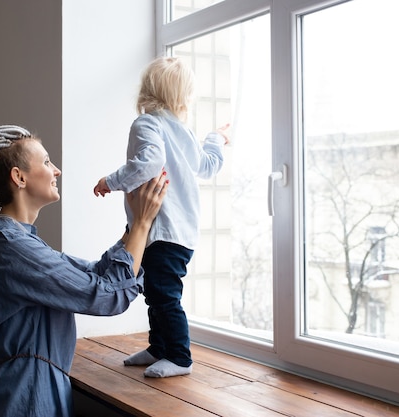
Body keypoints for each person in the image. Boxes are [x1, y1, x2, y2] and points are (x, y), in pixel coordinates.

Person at [0, 125, 168, 417]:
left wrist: (133, 224)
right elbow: (105, 297)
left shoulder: (20, 241)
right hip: (26, 400)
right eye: (47, 162)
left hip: (32, 392)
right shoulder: (10, 246)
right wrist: (141, 224)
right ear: (19, 177)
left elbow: (94, 274)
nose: (57, 170)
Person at [93, 56, 229, 378]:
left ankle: (180, 357)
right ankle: (158, 347)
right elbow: (208, 166)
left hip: (164, 231)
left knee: (164, 295)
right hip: (180, 232)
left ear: (148, 90)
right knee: (154, 291)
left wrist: (111, 181)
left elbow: (150, 163)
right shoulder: (184, 132)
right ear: (183, 98)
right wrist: (217, 139)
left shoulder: (147, 123)